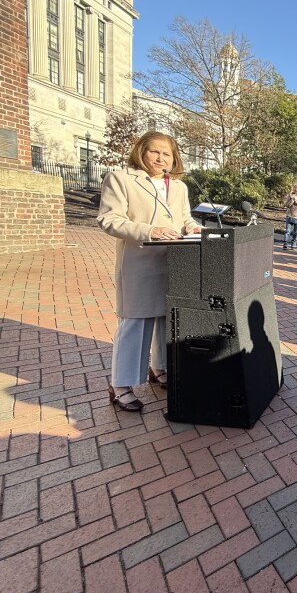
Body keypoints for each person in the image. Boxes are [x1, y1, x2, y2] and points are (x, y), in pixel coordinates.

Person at [97, 131, 202, 411]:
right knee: (136, 323)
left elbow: (185, 217)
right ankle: (120, 385)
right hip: (140, 262)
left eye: (167, 154)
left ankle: (159, 368)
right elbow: (109, 219)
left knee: (167, 319)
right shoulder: (120, 179)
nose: (160, 158)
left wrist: (193, 227)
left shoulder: (179, 187)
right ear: (141, 151)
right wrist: (150, 230)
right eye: (154, 151)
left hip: (174, 262)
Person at [283, 184, 297, 250]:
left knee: (295, 232)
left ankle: (293, 244)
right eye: (295, 188)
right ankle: (285, 244)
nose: (296, 190)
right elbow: (286, 204)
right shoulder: (290, 195)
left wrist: (296, 201)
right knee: (287, 231)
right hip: (289, 215)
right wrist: (291, 200)